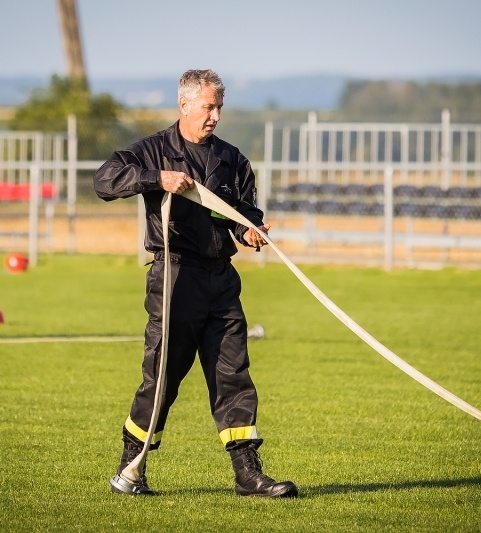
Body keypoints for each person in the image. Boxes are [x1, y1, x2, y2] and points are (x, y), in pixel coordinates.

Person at [93, 69, 298, 498]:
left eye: (220, 107)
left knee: (233, 374)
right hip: (174, 276)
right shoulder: (153, 150)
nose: (216, 116)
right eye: (209, 106)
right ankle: (131, 468)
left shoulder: (232, 159)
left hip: (221, 279)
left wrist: (250, 231)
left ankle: (248, 475)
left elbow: (240, 212)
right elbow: (105, 180)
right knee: (162, 377)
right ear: (184, 105)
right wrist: (156, 178)